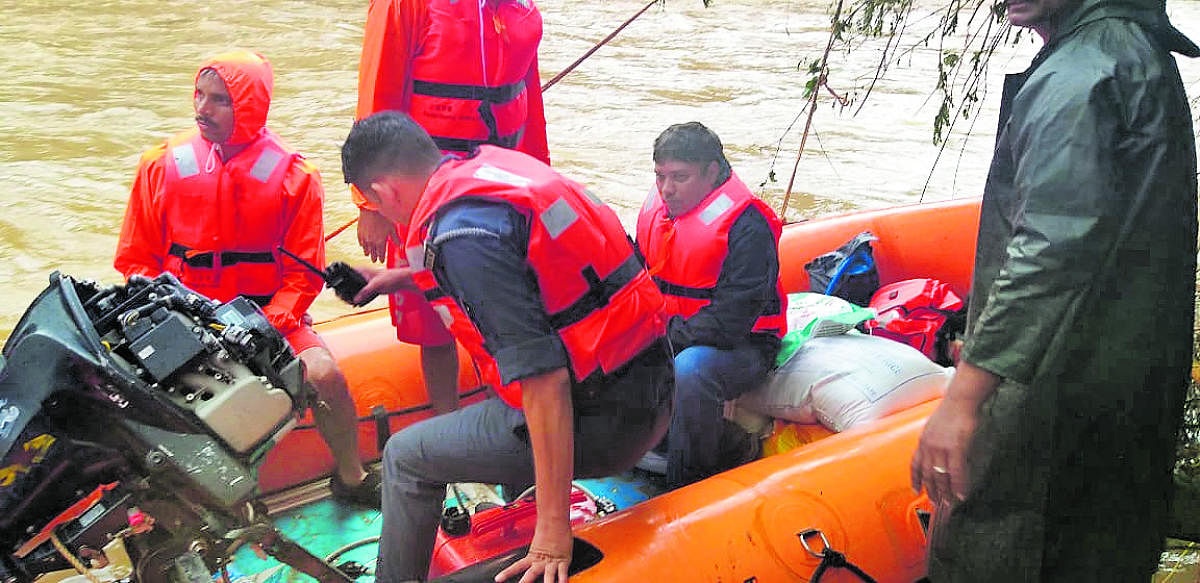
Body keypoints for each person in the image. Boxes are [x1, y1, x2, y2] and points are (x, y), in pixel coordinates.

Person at [909, 0, 1199, 579]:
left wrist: (963, 398)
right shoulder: (1138, 51)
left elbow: (1049, 250)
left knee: (1002, 549)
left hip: (1054, 395)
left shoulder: (1081, 72)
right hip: (1124, 389)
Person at [341, 111, 673, 583]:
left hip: (605, 421)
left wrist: (554, 534)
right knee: (510, 388)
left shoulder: (463, 237)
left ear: (384, 192)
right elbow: (529, 273)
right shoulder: (485, 173)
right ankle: (521, 512)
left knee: (406, 456)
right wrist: (398, 279)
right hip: (648, 383)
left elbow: (545, 381)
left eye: (367, 200)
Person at [114, 50, 379, 506]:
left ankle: (351, 475)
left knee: (325, 374)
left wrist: (265, 325)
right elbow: (136, 263)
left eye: (219, 100)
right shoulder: (159, 165)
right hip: (180, 317)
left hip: (265, 316)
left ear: (250, 106)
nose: (201, 108)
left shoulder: (295, 178)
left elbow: (300, 277)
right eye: (199, 94)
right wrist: (176, 321)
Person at [351, 0, 552, 411]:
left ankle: (512, 414)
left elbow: (529, 100)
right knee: (431, 323)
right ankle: (447, 421)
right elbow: (378, 91)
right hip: (421, 189)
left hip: (497, 183)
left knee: (504, 305)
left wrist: (539, 178)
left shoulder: (516, 5)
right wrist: (369, 204)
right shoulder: (404, 5)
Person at [634, 122, 787, 488]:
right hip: (675, 331)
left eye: (679, 177)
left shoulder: (747, 226)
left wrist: (660, 341)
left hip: (744, 346)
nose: (667, 189)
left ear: (712, 171)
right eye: (660, 177)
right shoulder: (659, 212)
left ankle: (688, 483)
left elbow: (729, 323)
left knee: (690, 369)